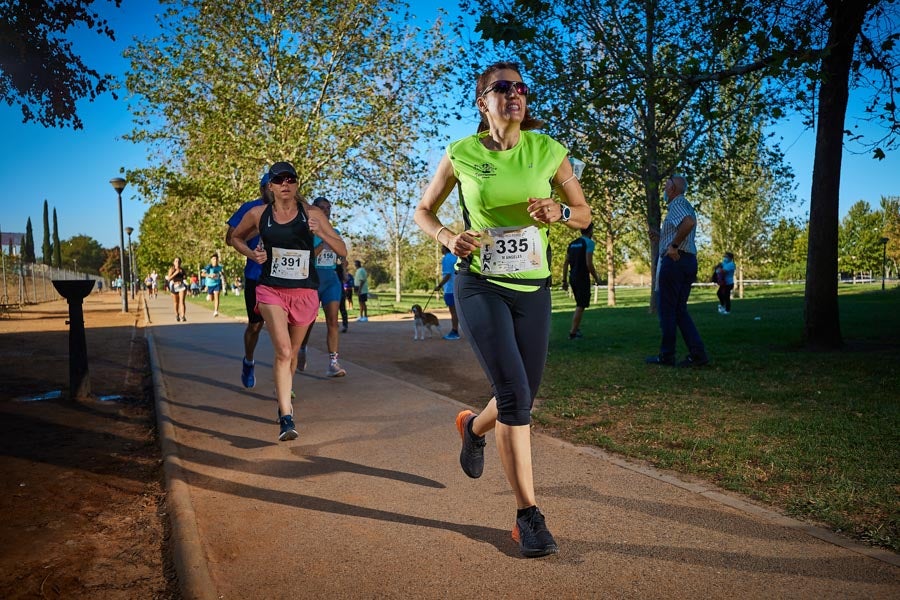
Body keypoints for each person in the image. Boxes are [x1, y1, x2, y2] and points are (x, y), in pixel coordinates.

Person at [413, 61, 591, 558]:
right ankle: (527, 517)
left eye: (520, 87)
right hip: (480, 283)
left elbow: (584, 214)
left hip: (532, 287)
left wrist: (560, 211)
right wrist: (449, 236)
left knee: (522, 398)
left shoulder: (548, 151)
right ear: (482, 102)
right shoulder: (461, 154)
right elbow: (422, 211)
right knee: (514, 395)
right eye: (502, 88)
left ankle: (472, 427)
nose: (514, 94)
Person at [230, 161, 346, 442]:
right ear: (270, 185)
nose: (285, 184)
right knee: (282, 351)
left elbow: (342, 250)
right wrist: (251, 253)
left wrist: (321, 232)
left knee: (292, 354)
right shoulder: (258, 214)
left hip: (305, 293)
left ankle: (285, 398)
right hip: (271, 290)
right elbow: (234, 237)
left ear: (296, 184)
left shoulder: (313, 213)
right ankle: (286, 416)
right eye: (279, 179)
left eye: (290, 179)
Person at [646, 174, 709, 367]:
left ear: (672, 189)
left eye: (666, 185)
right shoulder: (683, 205)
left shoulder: (677, 203)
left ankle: (667, 355)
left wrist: (672, 246)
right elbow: (683, 227)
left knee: (667, 310)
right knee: (680, 310)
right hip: (687, 261)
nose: (664, 188)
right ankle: (698, 354)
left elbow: (688, 222)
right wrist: (662, 238)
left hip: (675, 263)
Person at [226, 174, 272, 388]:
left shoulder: (290, 209)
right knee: (255, 326)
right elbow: (230, 238)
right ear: (263, 188)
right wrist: (259, 227)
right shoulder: (250, 208)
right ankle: (249, 361)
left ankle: (284, 380)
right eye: (271, 185)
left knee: (288, 328)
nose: (277, 189)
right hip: (256, 275)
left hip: (282, 277)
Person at [296, 196, 347, 377]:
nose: (326, 211)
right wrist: (323, 244)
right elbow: (307, 257)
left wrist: (345, 267)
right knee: (308, 321)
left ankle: (333, 363)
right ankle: (302, 348)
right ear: (314, 210)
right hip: (313, 279)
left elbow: (341, 253)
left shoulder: (336, 231)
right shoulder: (307, 231)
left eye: (328, 207)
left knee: (332, 320)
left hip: (331, 279)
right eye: (322, 208)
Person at [561, 222, 602, 339]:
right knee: (581, 304)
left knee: (579, 303)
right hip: (582, 277)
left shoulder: (572, 244)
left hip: (572, 277)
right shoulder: (589, 243)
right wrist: (596, 278)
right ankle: (573, 333)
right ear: (591, 231)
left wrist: (564, 280)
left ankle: (576, 328)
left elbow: (565, 263)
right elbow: (589, 263)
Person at [433, 245, 460, 340]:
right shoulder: (455, 257)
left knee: (454, 312)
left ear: (445, 248)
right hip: (457, 288)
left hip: (450, 289)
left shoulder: (446, 258)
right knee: (458, 311)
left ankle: (455, 331)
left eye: (442, 247)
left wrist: (439, 286)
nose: (441, 249)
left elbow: (448, 275)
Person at [165, 257, 188, 322]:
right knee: (176, 302)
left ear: (180, 263)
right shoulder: (171, 269)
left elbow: (185, 277)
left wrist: (183, 276)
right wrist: (175, 273)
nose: (177, 262)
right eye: (176, 261)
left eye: (178, 261)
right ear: (174, 262)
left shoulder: (182, 270)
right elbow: (168, 279)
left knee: (182, 301)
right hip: (174, 286)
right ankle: (177, 314)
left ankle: (183, 316)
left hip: (181, 286)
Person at [336, 261, 349, 333]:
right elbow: (345, 278)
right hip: (338, 289)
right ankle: (340, 325)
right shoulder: (335, 267)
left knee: (341, 308)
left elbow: (345, 278)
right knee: (339, 309)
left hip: (339, 289)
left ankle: (344, 325)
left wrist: (344, 268)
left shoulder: (339, 267)